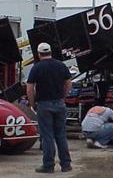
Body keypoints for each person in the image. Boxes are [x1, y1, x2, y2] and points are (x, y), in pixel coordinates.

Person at [26, 43, 72, 173]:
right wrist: (63, 96)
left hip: (44, 104)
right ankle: (66, 164)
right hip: (59, 103)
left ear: (39, 54)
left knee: (47, 136)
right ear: (51, 52)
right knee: (61, 135)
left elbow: (29, 89)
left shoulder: (37, 67)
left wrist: (32, 103)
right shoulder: (61, 65)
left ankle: (48, 165)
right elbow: (69, 84)